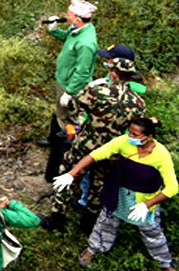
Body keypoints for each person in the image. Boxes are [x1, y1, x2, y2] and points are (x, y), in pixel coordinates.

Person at [60, 118, 179, 271]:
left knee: (152, 232)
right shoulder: (123, 142)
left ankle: (165, 264)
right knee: (105, 223)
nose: (130, 136)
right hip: (119, 194)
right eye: (130, 132)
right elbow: (96, 154)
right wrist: (72, 173)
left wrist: (147, 205)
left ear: (148, 137)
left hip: (144, 201)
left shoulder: (161, 155)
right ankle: (92, 250)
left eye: (135, 134)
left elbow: (172, 188)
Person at [43, 43, 145, 232]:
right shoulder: (138, 102)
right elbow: (136, 127)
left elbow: (73, 105)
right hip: (111, 151)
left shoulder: (100, 91)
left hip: (86, 146)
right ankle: (88, 223)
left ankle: (57, 219)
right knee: (99, 186)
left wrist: (90, 87)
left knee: (68, 177)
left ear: (113, 73)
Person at [39, 0, 98, 181]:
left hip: (70, 86)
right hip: (63, 80)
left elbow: (82, 72)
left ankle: (65, 152)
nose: (66, 16)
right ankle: (53, 140)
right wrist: (55, 30)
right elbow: (67, 39)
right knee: (58, 112)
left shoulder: (87, 43)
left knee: (66, 117)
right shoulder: (77, 30)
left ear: (78, 19)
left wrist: (69, 92)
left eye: (69, 14)